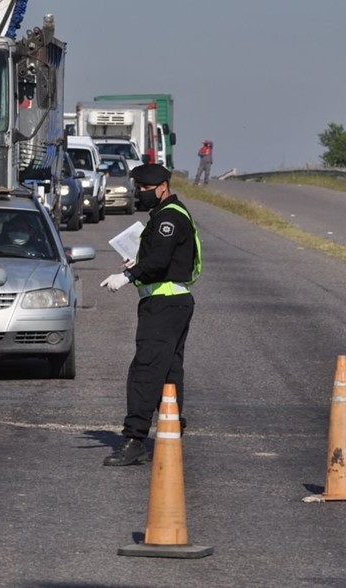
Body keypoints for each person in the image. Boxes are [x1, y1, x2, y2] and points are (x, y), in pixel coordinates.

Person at [99, 163, 202, 466]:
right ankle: (171, 427)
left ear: (162, 187)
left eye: (145, 189)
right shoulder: (166, 215)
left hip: (164, 304)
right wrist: (137, 263)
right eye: (138, 189)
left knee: (145, 371)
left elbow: (159, 260)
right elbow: (159, 258)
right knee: (169, 371)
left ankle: (134, 440)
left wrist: (129, 276)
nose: (140, 194)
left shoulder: (168, 218)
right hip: (172, 301)